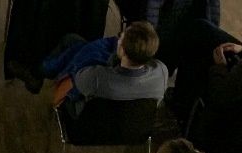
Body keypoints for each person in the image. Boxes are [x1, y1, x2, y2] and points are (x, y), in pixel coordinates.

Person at [40, 20, 168, 117]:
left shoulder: (96, 77)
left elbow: (62, 90)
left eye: (120, 37)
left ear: (122, 51)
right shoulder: (162, 72)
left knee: (73, 42)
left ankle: (43, 69)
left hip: (89, 121)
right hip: (129, 125)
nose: (118, 38)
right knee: (76, 43)